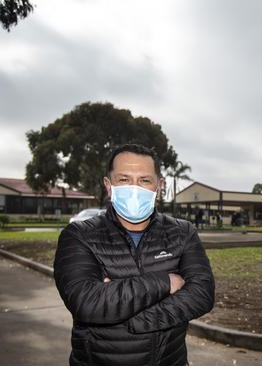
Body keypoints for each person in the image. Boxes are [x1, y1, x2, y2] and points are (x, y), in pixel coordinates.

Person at [54, 144, 215, 366]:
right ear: (108, 186)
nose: (134, 188)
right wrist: (166, 282)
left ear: (159, 186)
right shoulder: (80, 235)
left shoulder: (183, 232)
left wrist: (130, 317)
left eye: (144, 180)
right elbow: (87, 303)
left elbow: (201, 294)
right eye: (124, 180)